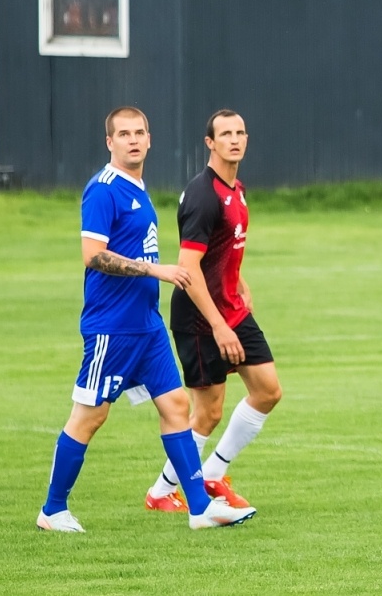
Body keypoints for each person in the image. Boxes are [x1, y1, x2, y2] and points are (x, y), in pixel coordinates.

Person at [36, 106, 249, 532]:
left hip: (147, 325)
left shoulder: (138, 186)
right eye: (124, 134)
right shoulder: (103, 190)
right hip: (112, 327)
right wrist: (157, 270)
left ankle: (198, 509)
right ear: (109, 142)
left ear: (150, 139)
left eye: (139, 133)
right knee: (90, 416)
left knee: (174, 406)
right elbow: (93, 255)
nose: (133, 140)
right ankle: (53, 510)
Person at [145, 110, 280, 522]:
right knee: (208, 411)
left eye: (240, 132)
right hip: (202, 319)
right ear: (210, 143)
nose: (234, 139)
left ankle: (213, 473)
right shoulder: (203, 195)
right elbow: (188, 271)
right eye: (225, 134)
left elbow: (222, 252)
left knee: (268, 390)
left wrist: (238, 283)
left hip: (230, 309)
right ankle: (161, 491)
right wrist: (219, 326)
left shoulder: (235, 188)